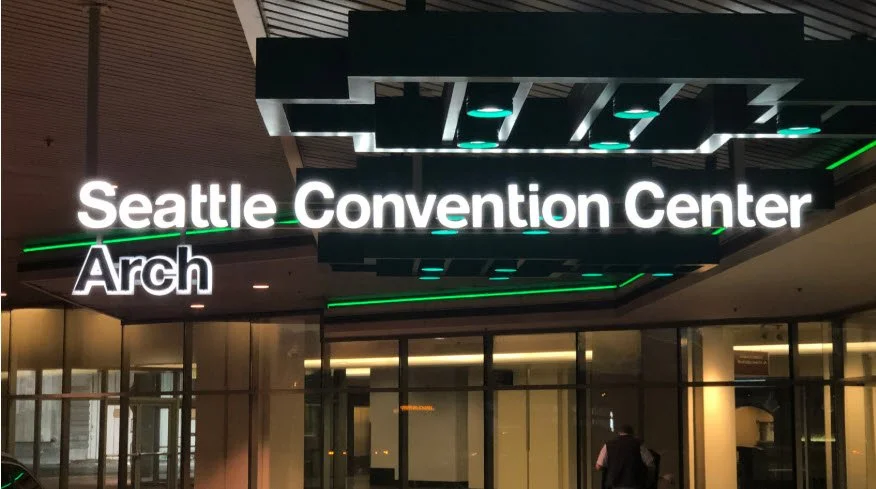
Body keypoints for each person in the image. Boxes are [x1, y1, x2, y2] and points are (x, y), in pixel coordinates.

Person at [595, 424, 656, 489]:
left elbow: (598, 466)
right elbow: (650, 463)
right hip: (634, 484)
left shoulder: (608, 445)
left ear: (619, 433)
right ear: (632, 434)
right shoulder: (638, 445)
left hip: (614, 485)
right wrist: (649, 480)